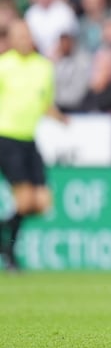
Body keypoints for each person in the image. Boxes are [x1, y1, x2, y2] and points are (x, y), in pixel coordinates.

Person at [0, 20, 63, 271]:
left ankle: (6, 247)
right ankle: (10, 252)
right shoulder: (4, 65)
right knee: (25, 202)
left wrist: (60, 117)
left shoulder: (44, 67)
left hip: (29, 139)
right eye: (19, 35)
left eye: (27, 34)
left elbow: (44, 102)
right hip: (6, 137)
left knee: (43, 202)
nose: (24, 39)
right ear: (11, 40)